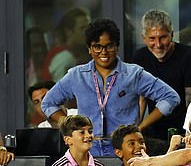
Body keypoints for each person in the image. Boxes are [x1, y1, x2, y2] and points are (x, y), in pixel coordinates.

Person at [40, 18, 180, 156]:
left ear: (117, 46)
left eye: (109, 46)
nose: (104, 52)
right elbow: (48, 102)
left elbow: (170, 97)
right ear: (89, 49)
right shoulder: (77, 75)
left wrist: (140, 127)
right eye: (97, 46)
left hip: (125, 149)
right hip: (88, 149)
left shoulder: (133, 74)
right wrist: (70, 126)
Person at [131, 9, 191, 141]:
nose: (158, 45)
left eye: (163, 37)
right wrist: (136, 130)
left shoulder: (190, 57)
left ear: (171, 34)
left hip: (183, 132)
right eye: (152, 39)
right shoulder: (140, 57)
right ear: (144, 38)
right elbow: (140, 99)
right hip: (151, 132)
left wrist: (190, 135)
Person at [41, 7, 91, 82]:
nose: (88, 32)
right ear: (68, 31)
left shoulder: (85, 54)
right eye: (82, 28)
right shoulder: (64, 58)